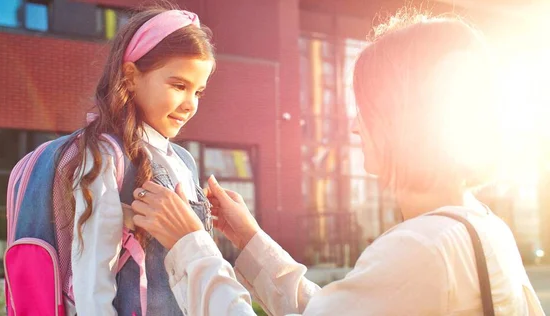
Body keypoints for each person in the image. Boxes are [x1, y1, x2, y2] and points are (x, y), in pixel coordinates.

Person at [130, 9, 546, 316]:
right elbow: (328, 310)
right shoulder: (486, 228)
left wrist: (191, 246)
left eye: (364, 109)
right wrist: (251, 240)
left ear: (402, 120)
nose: (352, 126)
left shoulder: (422, 249)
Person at [59, 5, 215, 315]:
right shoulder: (105, 155)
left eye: (199, 92)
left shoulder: (183, 160)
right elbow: (92, 281)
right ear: (130, 77)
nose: (190, 105)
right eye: (179, 86)